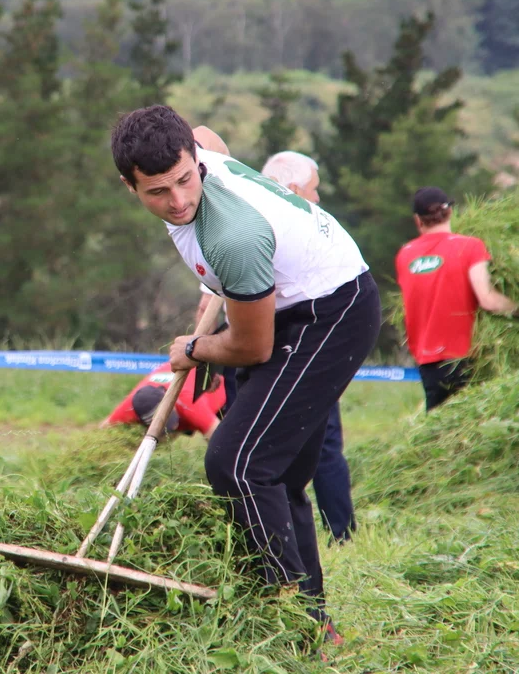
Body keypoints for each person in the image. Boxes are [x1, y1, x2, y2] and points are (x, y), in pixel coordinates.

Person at [111, 104, 381, 641]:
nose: (179, 200)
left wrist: (195, 348)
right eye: (158, 192)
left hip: (329, 313)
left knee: (238, 464)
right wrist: (217, 288)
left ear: (193, 159)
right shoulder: (195, 149)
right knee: (278, 475)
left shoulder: (233, 238)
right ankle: (312, 624)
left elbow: (253, 348)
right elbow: (208, 133)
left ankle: (288, 621)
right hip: (290, 301)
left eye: (185, 180)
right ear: (130, 186)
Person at [260, 151, 355, 543]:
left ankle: (289, 533)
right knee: (323, 444)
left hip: (272, 352)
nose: (317, 198)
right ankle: (338, 534)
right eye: (314, 190)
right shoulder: (300, 229)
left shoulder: (248, 221)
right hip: (298, 349)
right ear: (295, 189)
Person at [395, 186, 518, 411]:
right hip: (467, 357)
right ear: (450, 212)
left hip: (428, 360)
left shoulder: (405, 254)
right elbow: (488, 300)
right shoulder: (470, 246)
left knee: (441, 426)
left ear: (418, 220)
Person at [101, 361, 227, 437]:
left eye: (170, 419)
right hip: (182, 404)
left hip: (219, 396)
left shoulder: (190, 403)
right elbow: (104, 429)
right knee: (154, 439)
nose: (175, 426)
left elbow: (218, 436)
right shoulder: (131, 406)